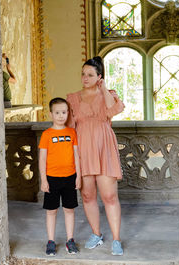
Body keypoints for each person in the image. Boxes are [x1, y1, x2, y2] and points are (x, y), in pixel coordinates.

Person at [66, 56, 125, 256]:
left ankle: (116, 239)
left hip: (104, 147)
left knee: (109, 195)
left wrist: (104, 88)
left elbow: (113, 110)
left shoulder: (109, 95)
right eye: (83, 74)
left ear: (99, 76)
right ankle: (96, 234)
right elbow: (68, 126)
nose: (85, 77)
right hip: (83, 148)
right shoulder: (73, 98)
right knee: (87, 195)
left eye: (90, 74)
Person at [38, 97, 82, 256]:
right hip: (52, 178)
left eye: (64, 112)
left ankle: (70, 240)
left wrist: (79, 176)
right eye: (57, 113)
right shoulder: (46, 135)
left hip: (70, 177)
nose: (61, 115)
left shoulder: (72, 132)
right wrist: (44, 180)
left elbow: (77, 155)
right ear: (51, 114)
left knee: (69, 210)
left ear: (68, 113)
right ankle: (51, 241)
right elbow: (42, 158)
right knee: (51, 211)